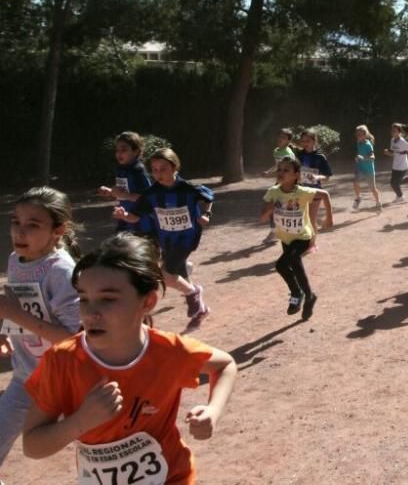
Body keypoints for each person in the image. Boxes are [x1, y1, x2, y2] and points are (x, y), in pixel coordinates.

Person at [22, 233, 237, 485]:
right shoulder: (62, 360)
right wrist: (80, 422)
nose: (91, 313)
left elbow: (225, 365)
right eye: (84, 298)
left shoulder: (170, 351)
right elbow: (32, 445)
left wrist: (213, 410)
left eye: (108, 299)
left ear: (148, 301)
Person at [0, 188, 81, 468]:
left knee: (100, 453)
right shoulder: (15, 259)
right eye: (15, 222)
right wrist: (5, 330)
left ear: (58, 230)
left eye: (33, 225)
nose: (20, 232)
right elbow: (18, 304)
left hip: (66, 383)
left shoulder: (62, 272)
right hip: (26, 377)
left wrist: (16, 315)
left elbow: (73, 338)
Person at [112, 148, 212, 328]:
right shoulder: (151, 194)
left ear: (175, 167)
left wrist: (206, 215)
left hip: (186, 239)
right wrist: (124, 215)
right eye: (155, 169)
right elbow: (136, 216)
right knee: (178, 274)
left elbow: (208, 197)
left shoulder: (188, 189)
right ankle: (200, 310)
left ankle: (193, 293)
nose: (158, 173)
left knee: (165, 274)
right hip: (166, 240)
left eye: (163, 168)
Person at [260, 157, 333, 319]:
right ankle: (309, 296)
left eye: (286, 170)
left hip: (302, 236)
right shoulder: (273, 192)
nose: (281, 173)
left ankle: (297, 293)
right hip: (286, 238)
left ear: (296, 175)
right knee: (289, 266)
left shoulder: (302, 192)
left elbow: (325, 194)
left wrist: (329, 218)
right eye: (280, 169)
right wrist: (270, 208)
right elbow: (262, 218)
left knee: (284, 263)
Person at [97, 131, 152, 233]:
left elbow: (146, 198)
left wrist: (123, 195)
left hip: (140, 222)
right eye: (117, 150)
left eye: (124, 149)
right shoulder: (121, 169)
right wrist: (110, 191)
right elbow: (124, 192)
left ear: (136, 151)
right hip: (124, 218)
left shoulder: (137, 170)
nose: (119, 153)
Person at [384, 123, 408, 204]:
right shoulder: (392, 140)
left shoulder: (402, 141)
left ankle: (400, 196)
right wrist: (388, 152)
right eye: (392, 131)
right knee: (393, 182)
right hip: (395, 165)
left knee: (394, 183)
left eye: (394, 131)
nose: (392, 132)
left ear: (399, 132)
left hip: (402, 165)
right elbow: (394, 152)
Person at [352, 125, 381, 212]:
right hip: (360, 168)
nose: (358, 136)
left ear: (365, 135)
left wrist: (364, 158)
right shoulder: (358, 142)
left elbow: (372, 157)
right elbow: (359, 154)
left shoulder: (368, 145)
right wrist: (357, 158)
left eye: (360, 134)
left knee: (372, 188)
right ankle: (358, 198)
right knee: (355, 182)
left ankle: (378, 202)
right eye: (357, 135)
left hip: (369, 170)